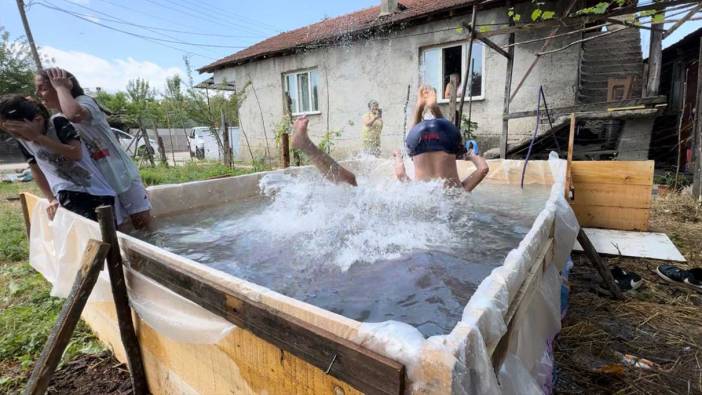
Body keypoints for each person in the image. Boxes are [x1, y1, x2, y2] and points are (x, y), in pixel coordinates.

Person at [291, 85, 489, 191]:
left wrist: (397, 157)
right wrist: (470, 154)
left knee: (351, 184)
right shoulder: (456, 195)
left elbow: (401, 174)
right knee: (349, 182)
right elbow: (484, 168)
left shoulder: (428, 193)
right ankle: (307, 146)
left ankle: (424, 107)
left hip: (431, 142)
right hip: (428, 143)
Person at [35, 68, 152, 229]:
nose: (38, 93)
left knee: (142, 223)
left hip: (120, 174)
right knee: (118, 228)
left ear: (62, 85)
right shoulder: (56, 120)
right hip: (98, 184)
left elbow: (74, 115)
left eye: (43, 88)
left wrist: (62, 88)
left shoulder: (84, 101)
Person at [0, 94, 117, 222]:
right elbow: (36, 170)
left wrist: (38, 138)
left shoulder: (58, 123)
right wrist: (50, 198)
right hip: (66, 193)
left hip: (97, 193)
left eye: (20, 132)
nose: (20, 137)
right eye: (12, 133)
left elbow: (76, 153)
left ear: (38, 119)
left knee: (103, 238)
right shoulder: (22, 141)